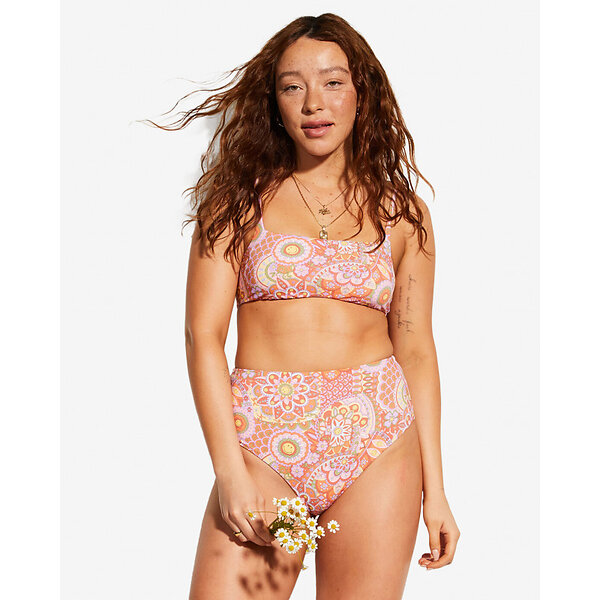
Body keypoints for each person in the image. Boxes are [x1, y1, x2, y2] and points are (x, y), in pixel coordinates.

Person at [157, 13, 459, 599]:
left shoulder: (404, 214)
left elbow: (417, 349)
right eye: (292, 86)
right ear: (274, 103)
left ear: (362, 92)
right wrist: (229, 471)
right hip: (264, 445)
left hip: (376, 441)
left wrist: (437, 491)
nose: (313, 103)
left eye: (332, 82)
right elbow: (202, 335)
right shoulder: (236, 203)